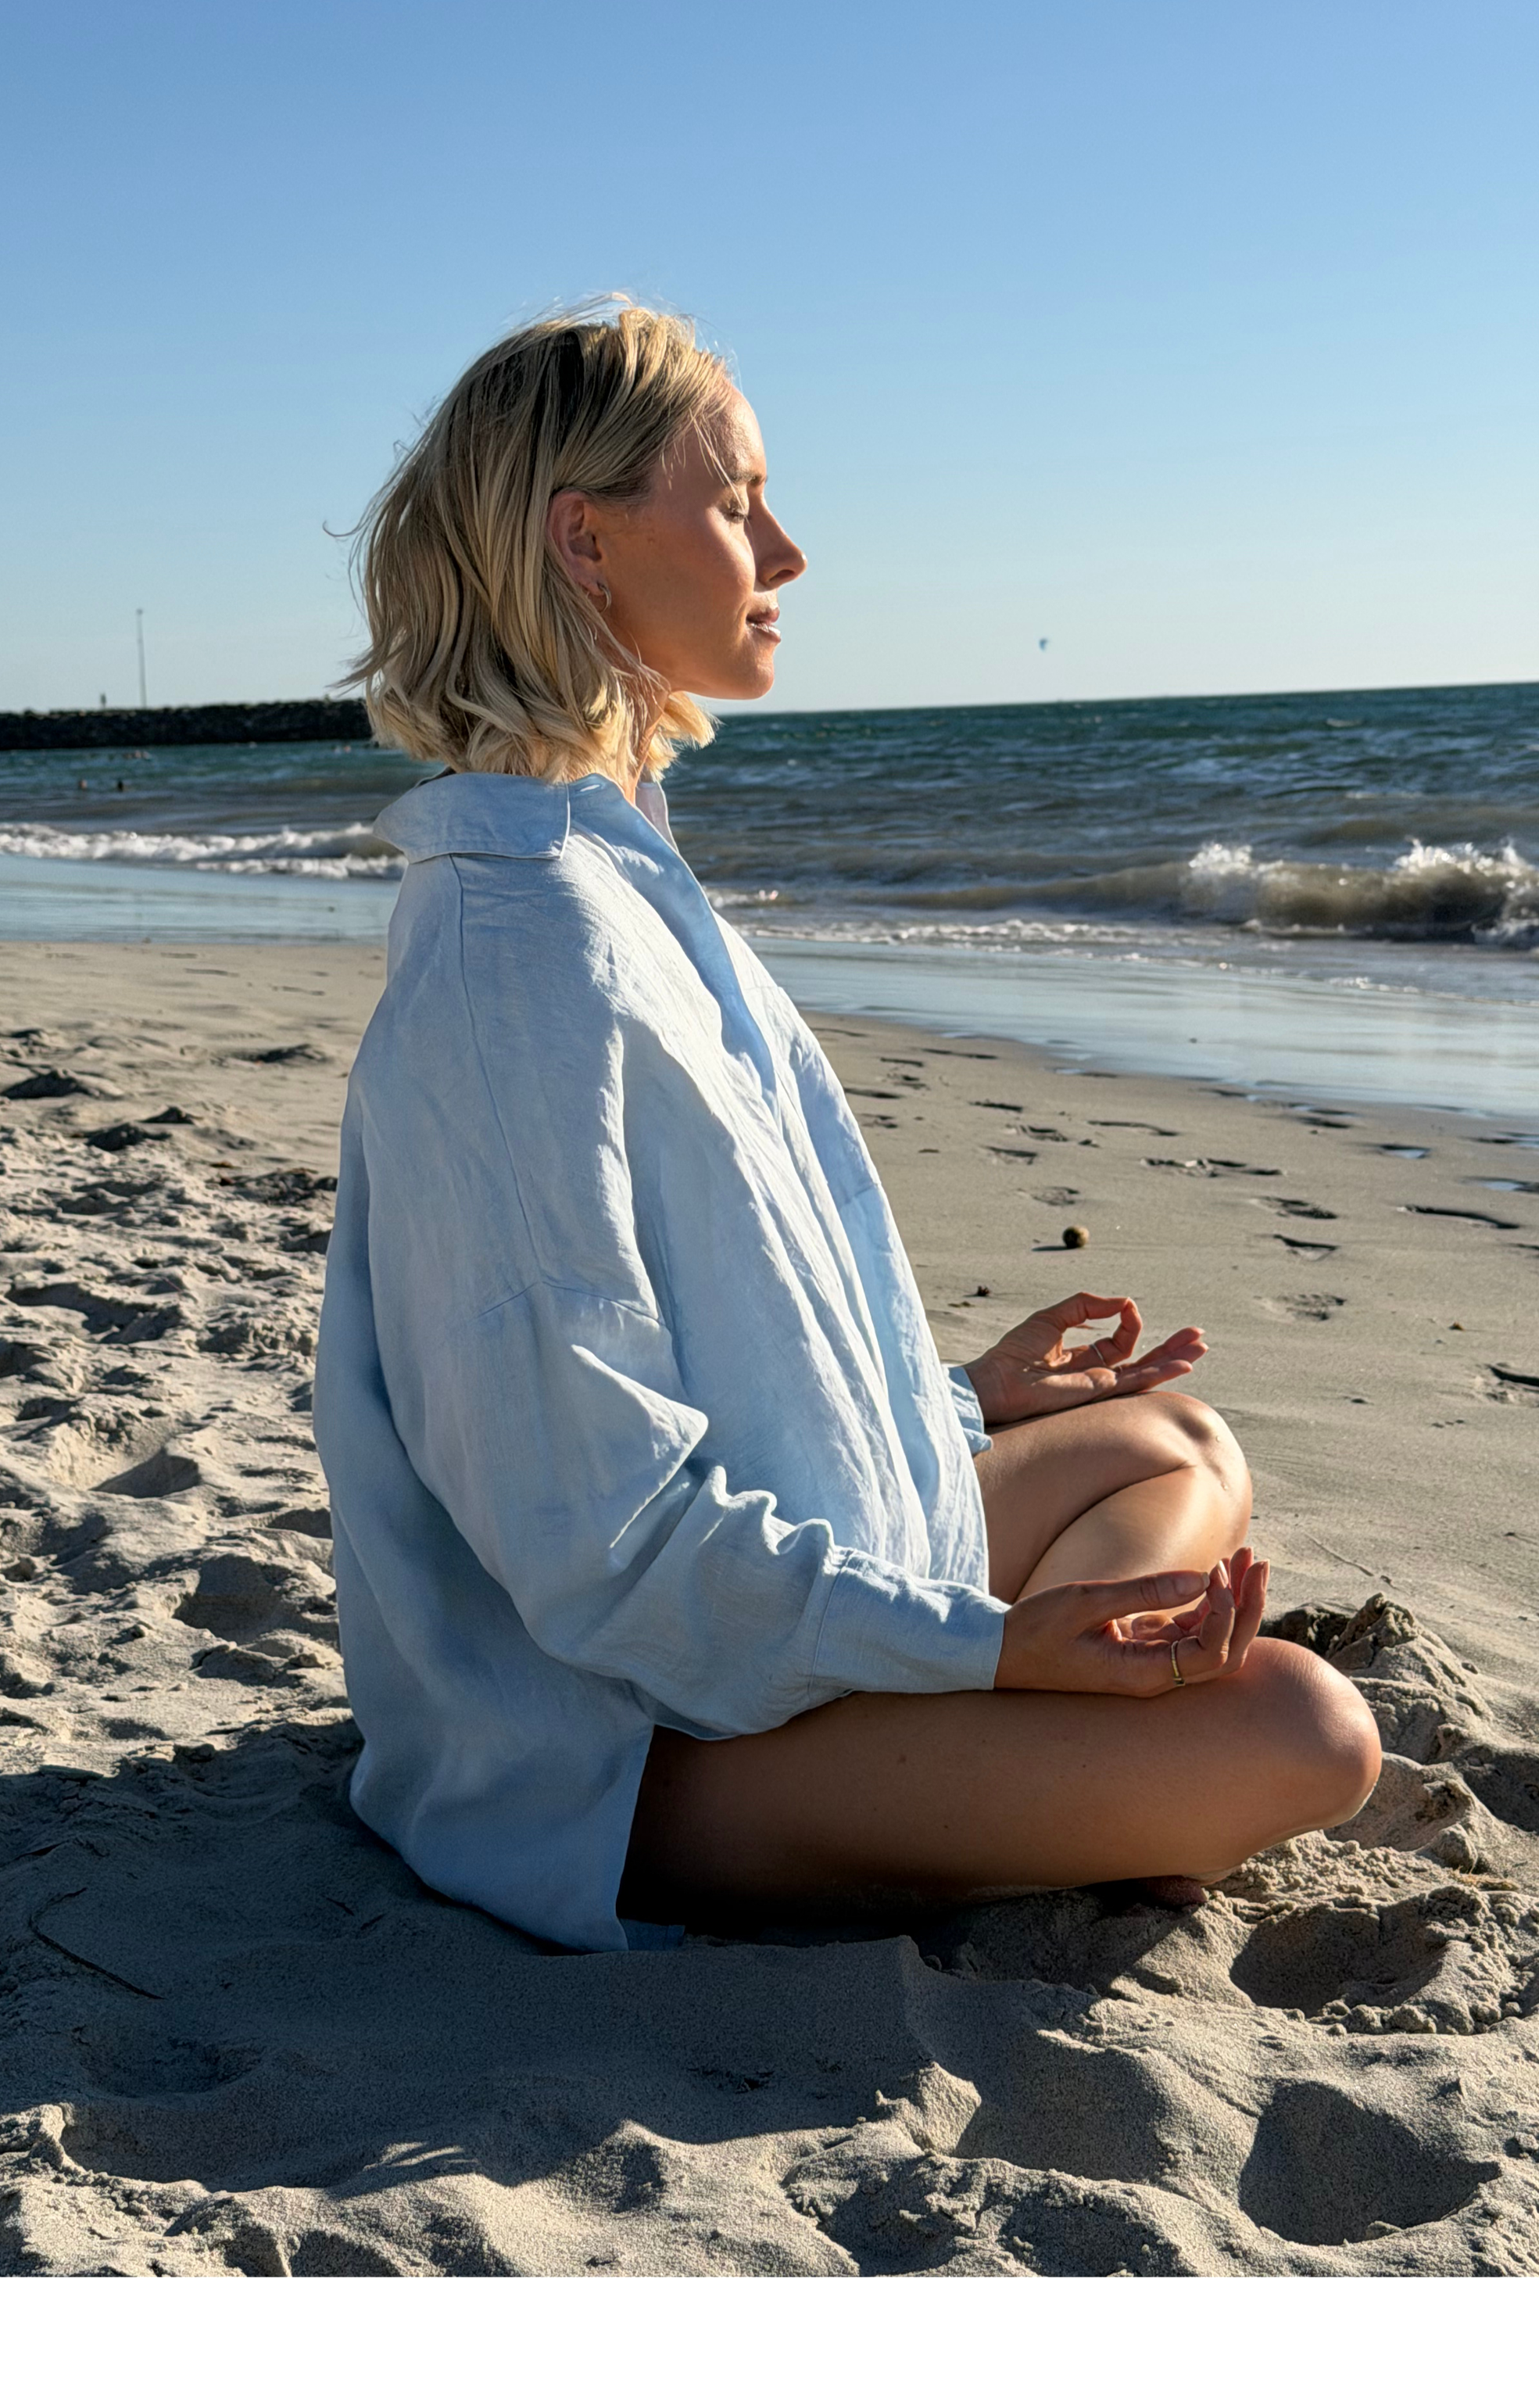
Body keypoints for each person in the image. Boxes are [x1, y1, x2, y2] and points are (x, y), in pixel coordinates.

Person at [315, 304, 1380, 1951]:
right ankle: (1056, 1778)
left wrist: (946, 1400)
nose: (786, 550)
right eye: (738, 500)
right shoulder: (508, 966)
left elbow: (710, 1344)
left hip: (790, 1618)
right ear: (581, 542)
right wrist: (994, 1655)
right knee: (1303, 1730)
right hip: (631, 1749)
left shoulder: (617, 881)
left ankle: (1040, 1777)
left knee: (1179, 1450)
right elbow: (597, 1551)